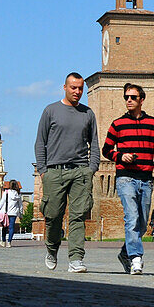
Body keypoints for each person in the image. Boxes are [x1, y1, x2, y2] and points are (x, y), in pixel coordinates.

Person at [101, 82, 154, 275]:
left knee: (141, 223)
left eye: (133, 97)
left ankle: (125, 252)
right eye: (126, 97)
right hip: (125, 178)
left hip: (146, 179)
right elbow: (106, 150)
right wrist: (120, 156)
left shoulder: (153, 124)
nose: (129, 100)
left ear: (142, 100)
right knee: (131, 218)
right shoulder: (117, 124)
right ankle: (136, 258)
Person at [34, 72, 99, 273]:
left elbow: (94, 144)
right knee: (53, 216)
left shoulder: (88, 114)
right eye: (73, 88)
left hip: (80, 171)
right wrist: (44, 171)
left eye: (80, 88)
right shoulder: (50, 111)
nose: (77, 92)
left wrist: (91, 170)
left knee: (78, 216)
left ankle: (76, 258)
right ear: (65, 87)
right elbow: (40, 143)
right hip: (54, 172)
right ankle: (52, 248)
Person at [0, 179, 24, 247]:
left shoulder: (6, 192)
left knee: (4, 227)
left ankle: (3, 241)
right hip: (14, 213)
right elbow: (20, 205)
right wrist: (20, 214)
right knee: (11, 228)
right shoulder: (18, 195)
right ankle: (9, 242)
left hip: (6, 212)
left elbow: (2, 202)